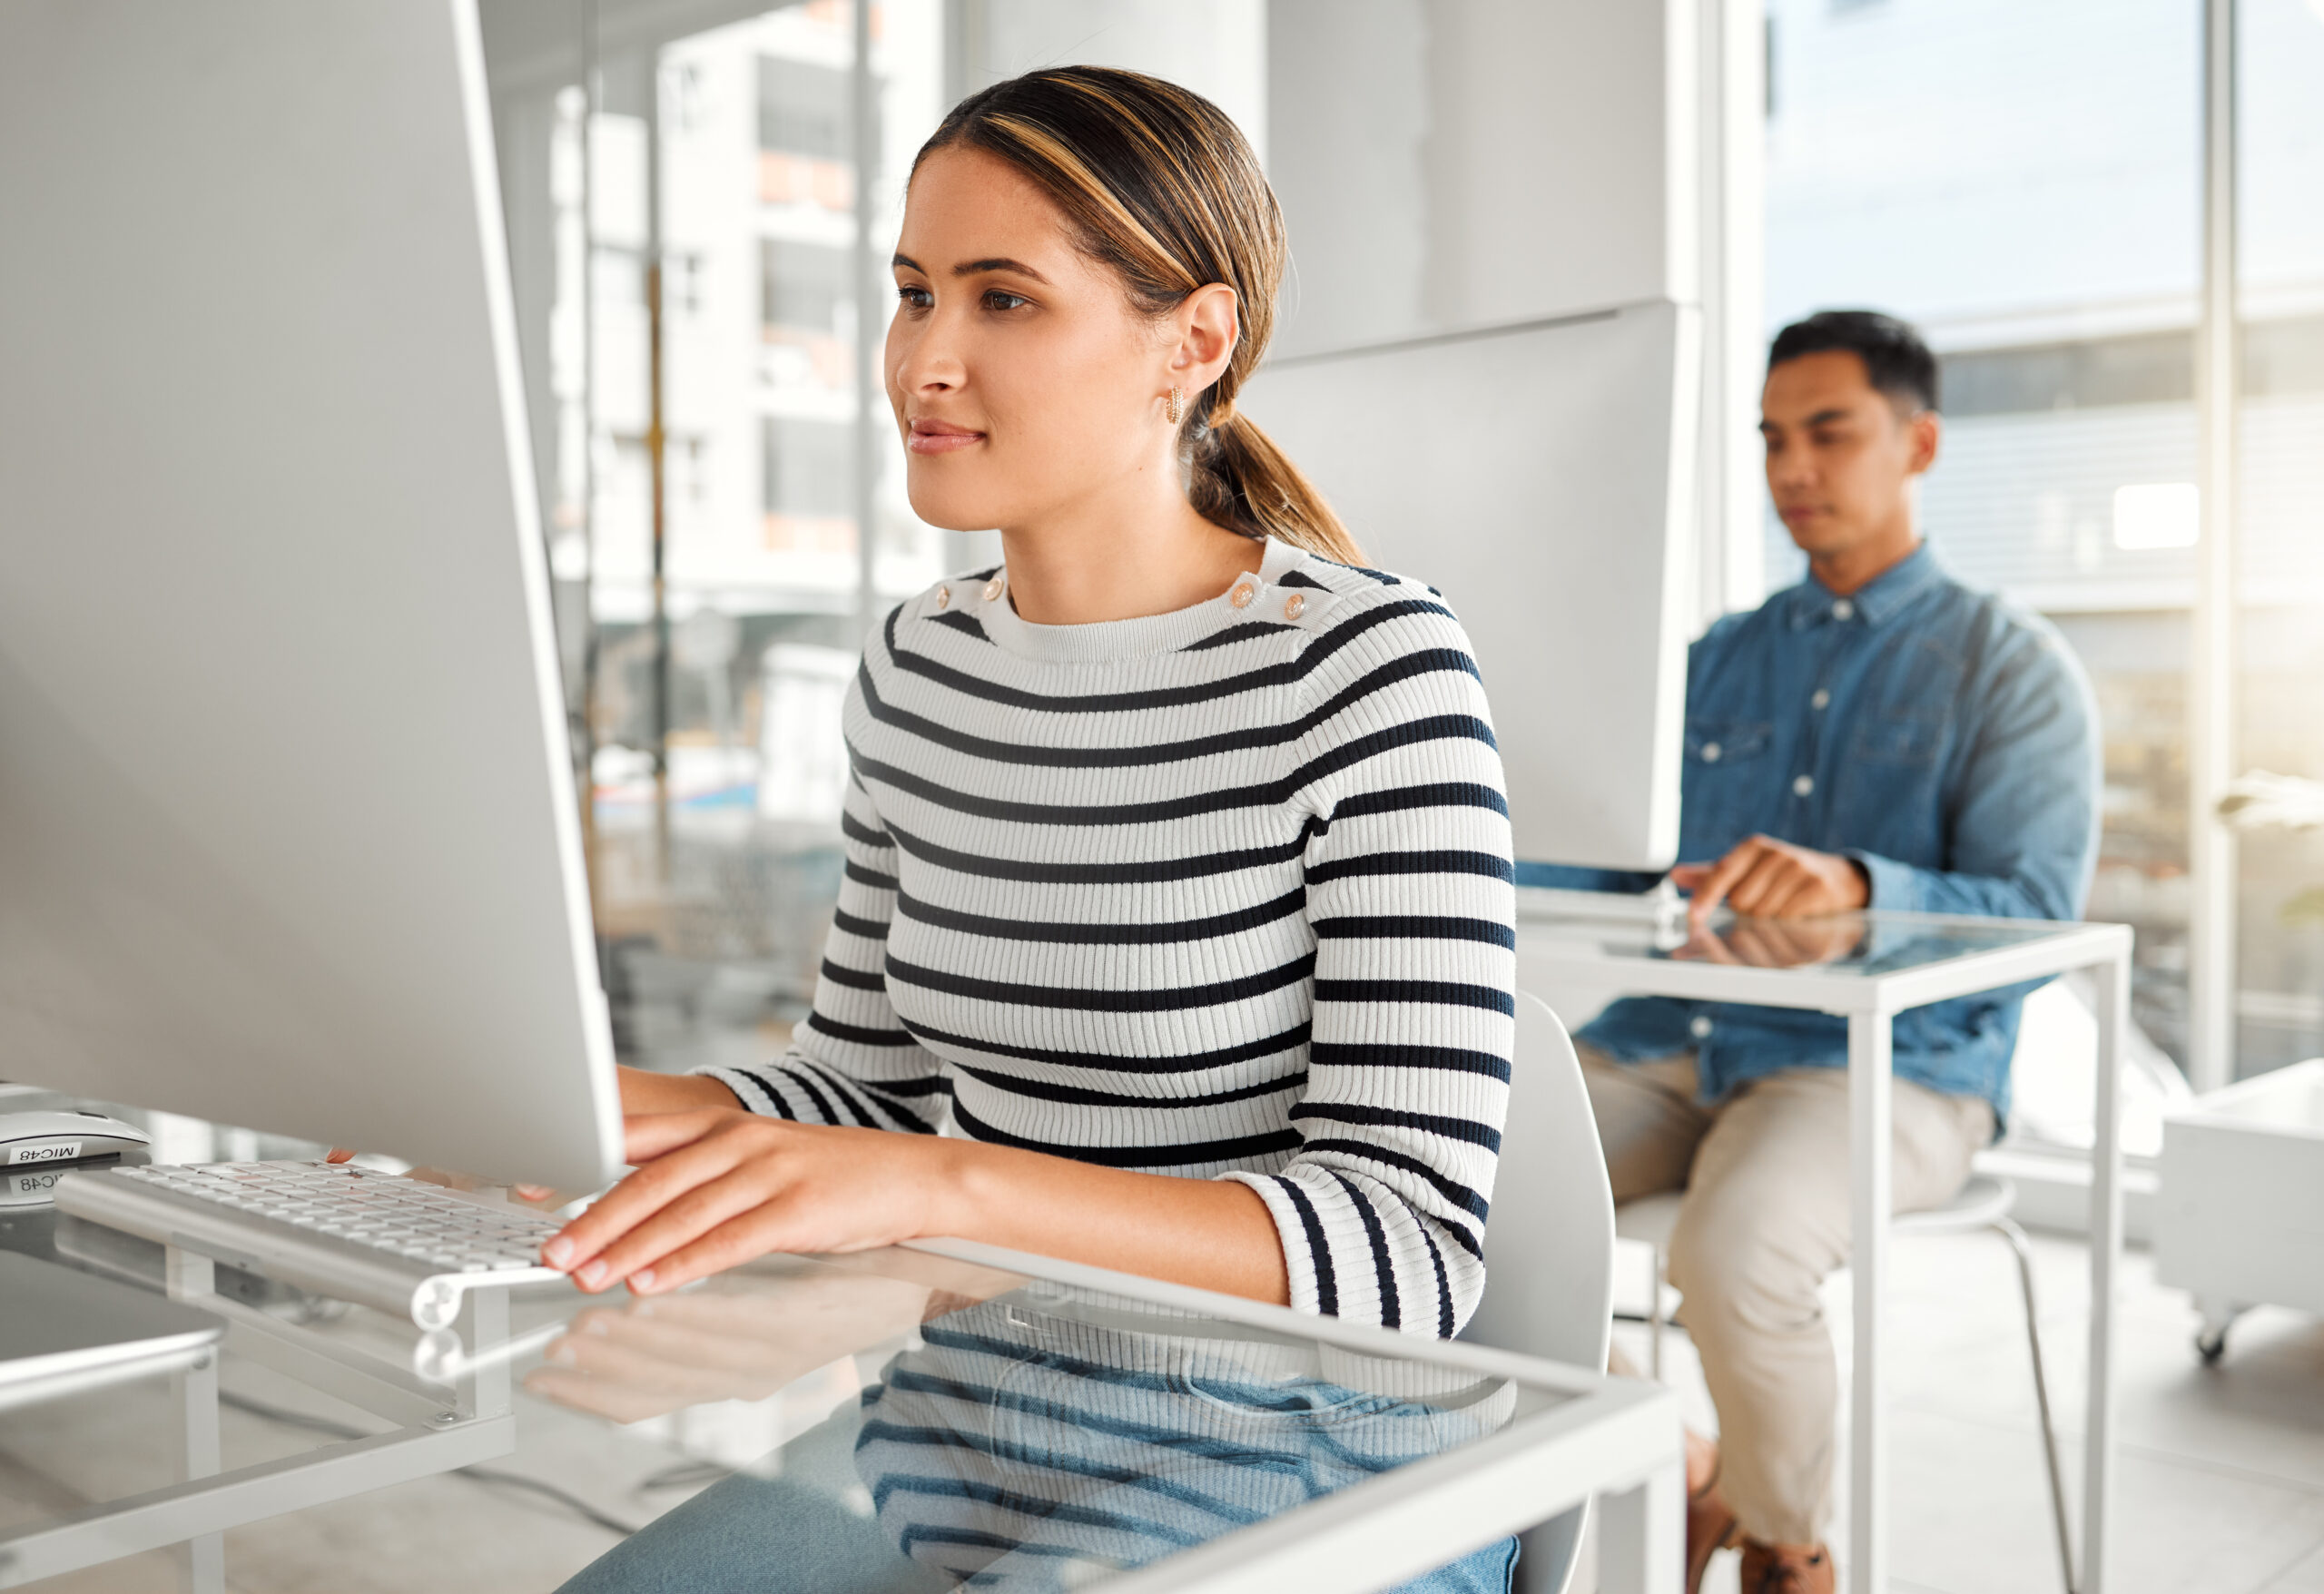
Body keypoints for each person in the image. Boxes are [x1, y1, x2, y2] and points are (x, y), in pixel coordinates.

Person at [536, 66, 1518, 1592]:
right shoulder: (918, 666)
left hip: (1303, 1441)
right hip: (964, 1421)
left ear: (1193, 344)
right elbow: (861, 1085)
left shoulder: (1366, 667)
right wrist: (605, 1105)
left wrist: (947, 1189)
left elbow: (1408, 1252)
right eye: (914, 292)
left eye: (1004, 301)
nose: (926, 358)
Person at [1521, 310, 2100, 1594]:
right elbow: (1607, 849)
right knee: (1452, 1191)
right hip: (1674, 1045)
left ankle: (1787, 1553)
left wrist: (1857, 887)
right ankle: (1665, 1458)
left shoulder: (2014, 671)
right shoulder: (1715, 662)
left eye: (1828, 432)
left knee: (1729, 1257)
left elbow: (2038, 915)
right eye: (1775, 438)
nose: (1794, 467)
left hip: (1890, 1070)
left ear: (1920, 441)